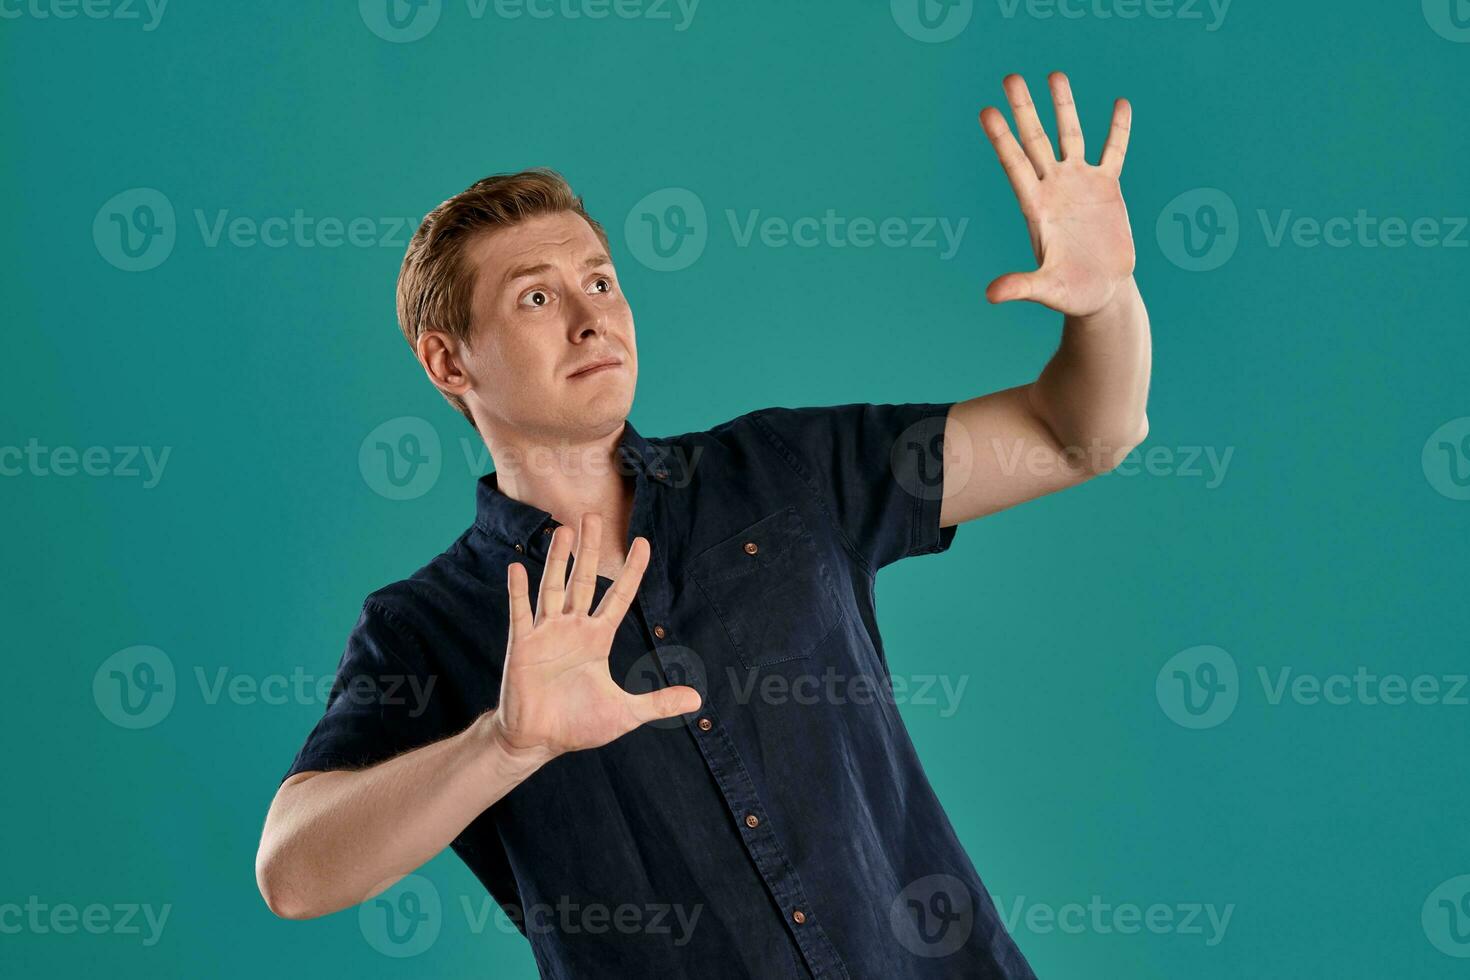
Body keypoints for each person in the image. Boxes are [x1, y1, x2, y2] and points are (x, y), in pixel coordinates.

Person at [254, 72, 1150, 978]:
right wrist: (507, 743)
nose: (589, 318)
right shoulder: (428, 626)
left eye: (600, 281)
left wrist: (1110, 300)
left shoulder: (784, 473)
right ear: (449, 362)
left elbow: (1077, 436)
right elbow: (292, 871)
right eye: (535, 297)